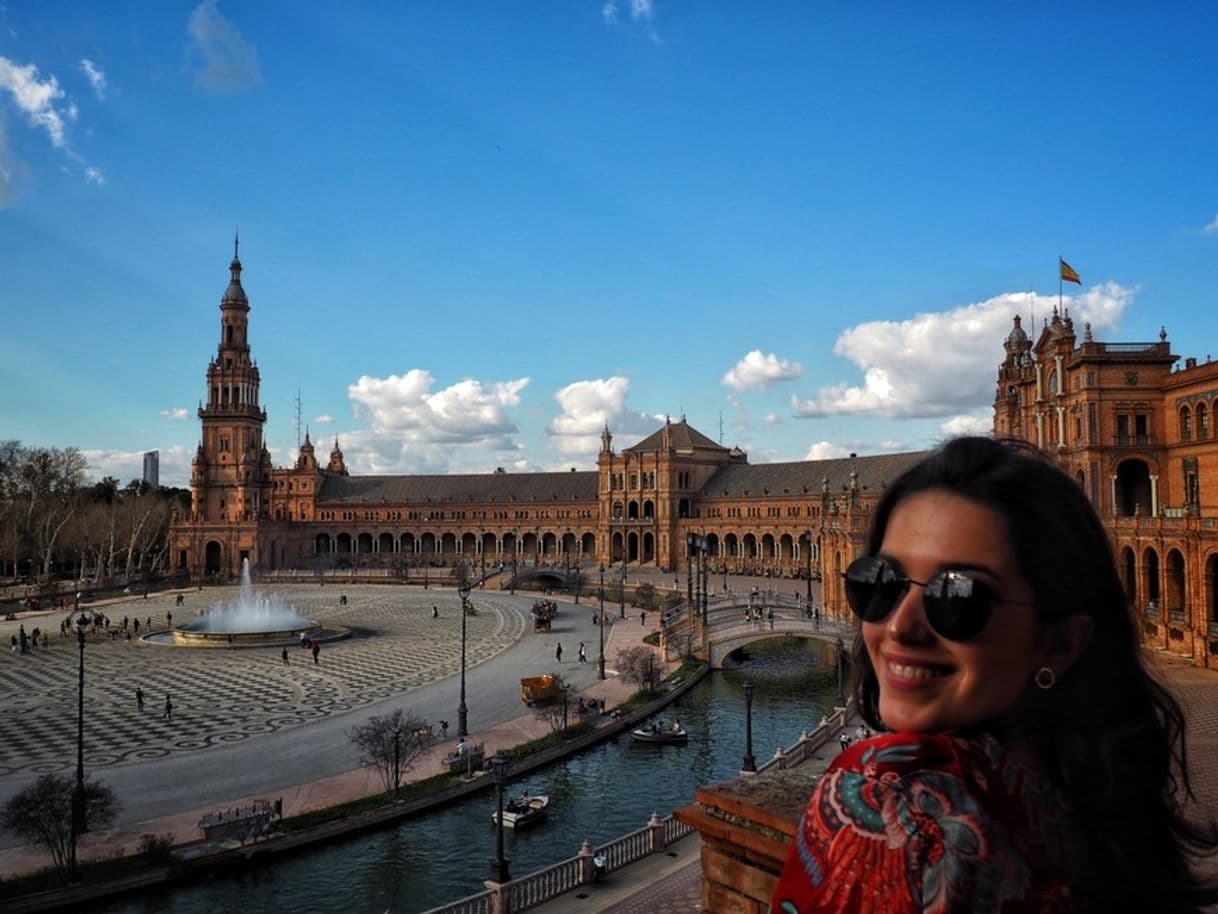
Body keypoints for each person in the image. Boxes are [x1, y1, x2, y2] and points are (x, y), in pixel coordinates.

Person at [771, 436, 1218, 914]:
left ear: (1060, 641)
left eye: (958, 596)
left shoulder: (890, 809)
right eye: (879, 583)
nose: (900, 626)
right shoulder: (1096, 802)